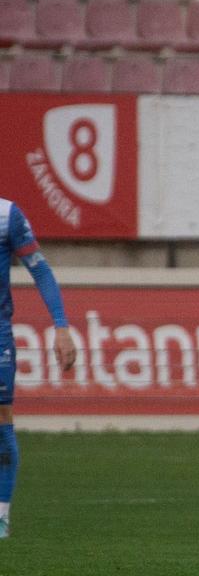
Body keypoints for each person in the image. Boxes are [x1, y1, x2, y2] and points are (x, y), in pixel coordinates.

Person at [0, 198, 79, 538]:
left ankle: (1, 515)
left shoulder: (7, 215)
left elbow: (39, 268)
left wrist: (61, 326)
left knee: (2, 416)